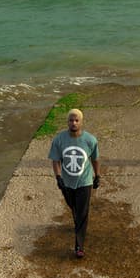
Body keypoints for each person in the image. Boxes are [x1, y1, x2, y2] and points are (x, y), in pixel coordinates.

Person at [48, 108, 100, 259]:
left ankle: (79, 246)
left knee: (83, 212)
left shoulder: (90, 140)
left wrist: (97, 176)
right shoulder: (59, 140)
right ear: (67, 122)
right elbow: (56, 160)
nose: (73, 123)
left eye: (77, 120)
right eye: (71, 120)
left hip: (85, 181)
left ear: (81, 122)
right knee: (74, 208)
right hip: (67, 182)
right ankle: (78, 223)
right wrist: (58, 177)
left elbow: (95, 159)